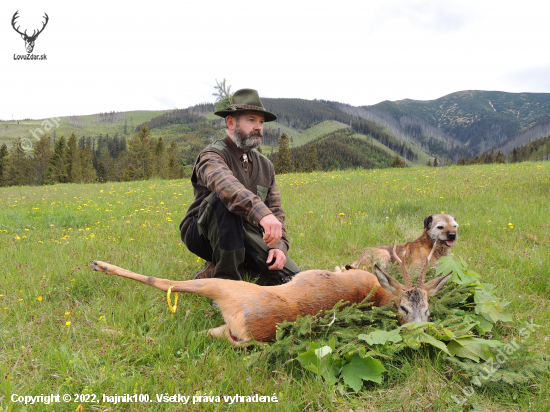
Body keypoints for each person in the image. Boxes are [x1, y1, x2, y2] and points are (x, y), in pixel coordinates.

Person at [179, 88, 300, 285]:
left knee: (291, 278)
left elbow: (276, 210)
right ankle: (226, 284)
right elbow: (226, 186)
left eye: (261, 122)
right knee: (223, 202)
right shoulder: (212, 156)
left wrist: (278, 245)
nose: (258, 127)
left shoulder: (265, 165)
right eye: (251, 120)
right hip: (202, 234)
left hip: (245, 233)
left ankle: (225, 265)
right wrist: (262, 214)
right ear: (230, 122)